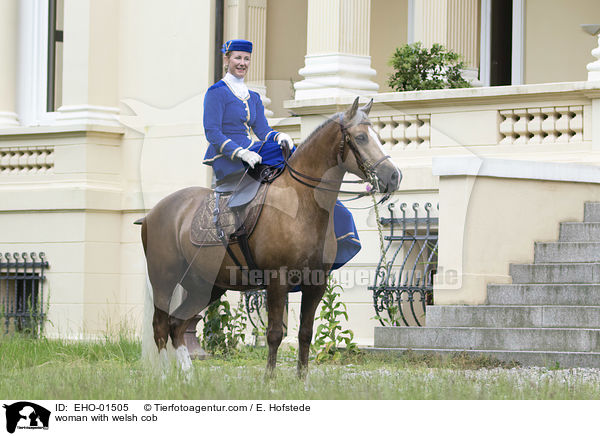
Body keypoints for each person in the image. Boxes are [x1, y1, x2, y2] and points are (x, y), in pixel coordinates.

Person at [202, 39, 360, 272]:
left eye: (246, 59)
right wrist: (241, 152)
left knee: (290, 154)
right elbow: (212, 132)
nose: (242, 63)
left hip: (253, 151)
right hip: (228, 157)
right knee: (286, 157)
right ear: (226, 59)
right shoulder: (216, 93)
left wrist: (278, 137)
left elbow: (262, 131)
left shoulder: (252, 96)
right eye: (237, 58)